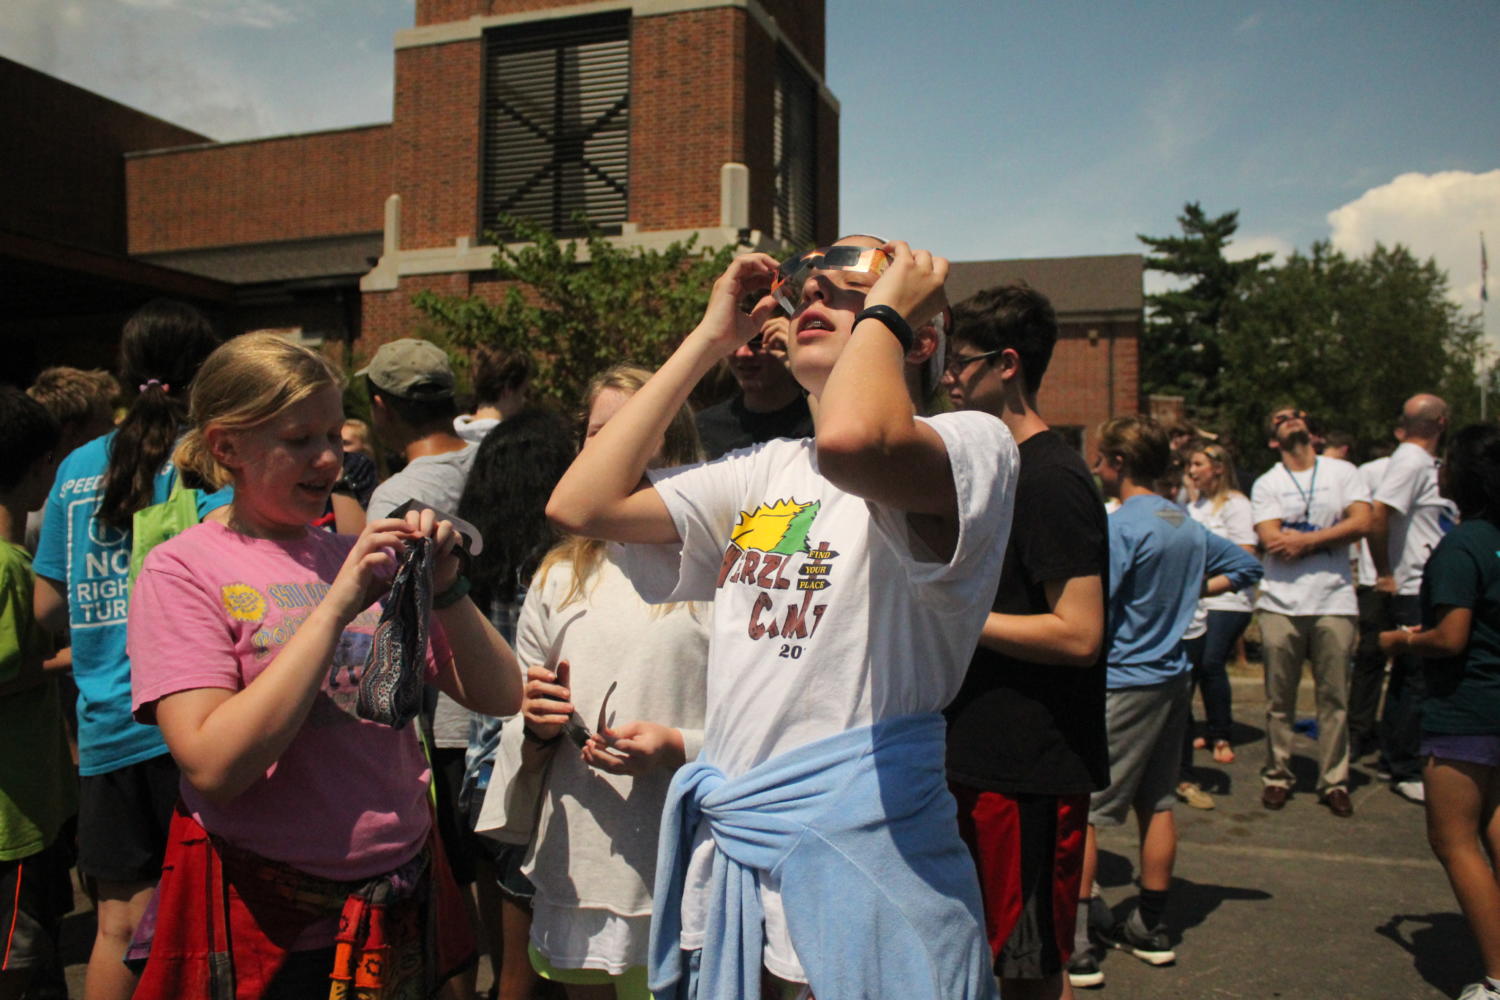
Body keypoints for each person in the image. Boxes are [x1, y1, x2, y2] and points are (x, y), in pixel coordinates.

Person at [547, 238, 1017, 1000]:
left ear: (919, 336)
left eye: (847, 292)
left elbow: (854, 441)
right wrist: (709, 337)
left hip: (874, 858)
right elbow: (582, 504)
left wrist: (893, 310)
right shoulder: (767, 470)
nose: (813, 301)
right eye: (805, 292)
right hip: (742, 858)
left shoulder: (972, 444)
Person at [124, 331, 522, 998]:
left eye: (335, 435)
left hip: (396, 899)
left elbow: (499, 692)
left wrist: (449, 588)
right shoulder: (181, 570)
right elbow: (212, 765)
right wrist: (334, 609)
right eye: (300, 439)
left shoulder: (348, 554)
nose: (330, 458)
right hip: (270, 920)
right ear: (227, 448)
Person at [32, 299, 228, 1000]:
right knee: (213, 919)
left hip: (106, 722)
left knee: (118, 922)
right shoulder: (209, 460)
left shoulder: (77, 467)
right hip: (192, 719)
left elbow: (47, 605)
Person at [516, 364, 710, 999]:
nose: (610, 449)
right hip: (584, 861)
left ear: (673, 445)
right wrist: (536, 721)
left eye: (633, 430)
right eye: (596, 433)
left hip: (687, 863)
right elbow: (515, 713)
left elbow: (774, 722)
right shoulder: (557, 576)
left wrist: (681, 747)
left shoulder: (725, 569)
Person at [940, 282, 1108, 1000]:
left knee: (1027, 968)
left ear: (1007, 364)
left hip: (1027, 768)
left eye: (961, 362)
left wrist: (953, 617)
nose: (947, 376)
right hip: (973, 756)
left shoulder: (1053, 477)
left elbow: (1079, 632)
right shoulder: (990, 467)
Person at [1078, 415, 1261, 980]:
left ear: (1120, 463)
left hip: (1122, 679)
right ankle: (1150, 923)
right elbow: (1248, 566)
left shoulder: (1122, 526)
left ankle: (1077, 939)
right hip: (1171, 678)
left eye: (1101, 457)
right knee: (1156, 802)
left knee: (1082, 809)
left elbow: (1096, 604)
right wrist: (1188, 590)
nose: (1094, 467)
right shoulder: (1182, 520)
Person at [361, 336, 486, 997]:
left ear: (381, 408)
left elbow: (392, 626)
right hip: (525, 689)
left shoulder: (395, 497)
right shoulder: (502, 458)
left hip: (450, 714)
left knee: (452, 881)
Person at [1377, 423, 1500, 1000]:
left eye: (1446, 462)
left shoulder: (1463, 544)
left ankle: (1498, 978)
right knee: (1495, 831)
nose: (1438, 471)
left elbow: (1450, 637)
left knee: (1454, 841)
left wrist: (1402, 641)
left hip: (1466, 708)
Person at [458, 407, 577, 1000]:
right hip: (527, 770)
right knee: (530, 971)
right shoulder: (556, 567)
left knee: (503, 955)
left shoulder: (476, 559)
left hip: (480, 772)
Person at [1250, 405, 1371, 817]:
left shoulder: (1343, 473)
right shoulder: (1268, 483)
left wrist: (1304, 541)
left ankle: (1334, 779)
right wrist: (1329, 535)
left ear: (1312, 431)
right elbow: (1270, 538)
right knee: (1278, 698)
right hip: (1281, 603)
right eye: (1281, 418)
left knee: (1334, 697)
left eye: (1298, 414)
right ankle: (1277, 774)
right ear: (1273, 438)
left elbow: (1363, 521)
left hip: (1334, 599)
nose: (1291, 419)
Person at [0, 388, 73, 1000]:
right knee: (19, 962)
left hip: (24, 807)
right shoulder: (9, 567)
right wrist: (81, 653)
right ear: (40, 468)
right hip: (12, 816)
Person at [1372, 393, 1458, 804]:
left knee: (1413, 676)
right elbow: (1379, 512)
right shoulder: (1409, 459)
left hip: (1428, 579)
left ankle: (1400, 754)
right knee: (1416, 676)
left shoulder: (1426, 463)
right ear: (1442, 421)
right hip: (1412, 583)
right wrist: (1385, 571)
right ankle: (1404, 763)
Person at [1182, 442, 1257, 766]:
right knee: (1195, 666)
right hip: (1200, 600)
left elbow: (1245, 553)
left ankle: (1221, 732)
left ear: (1218, 468)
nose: (1192, 470)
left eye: (1198, 464)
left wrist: (1199, 574)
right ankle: (1206, 729)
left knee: (1212, 661)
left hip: (1228, 598)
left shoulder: (1237, 504)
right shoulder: (1193, 506)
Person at [693, 311, 812, 459]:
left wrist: (800, 359)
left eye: (757, 340)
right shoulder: (704, 429)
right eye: (733, 341)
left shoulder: (820, 418)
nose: (743, 353)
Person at [455, 345, 532, 444]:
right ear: (507, 389)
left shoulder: (449, 432)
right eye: (525, 391)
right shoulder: (513, 446)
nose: (525, 400)